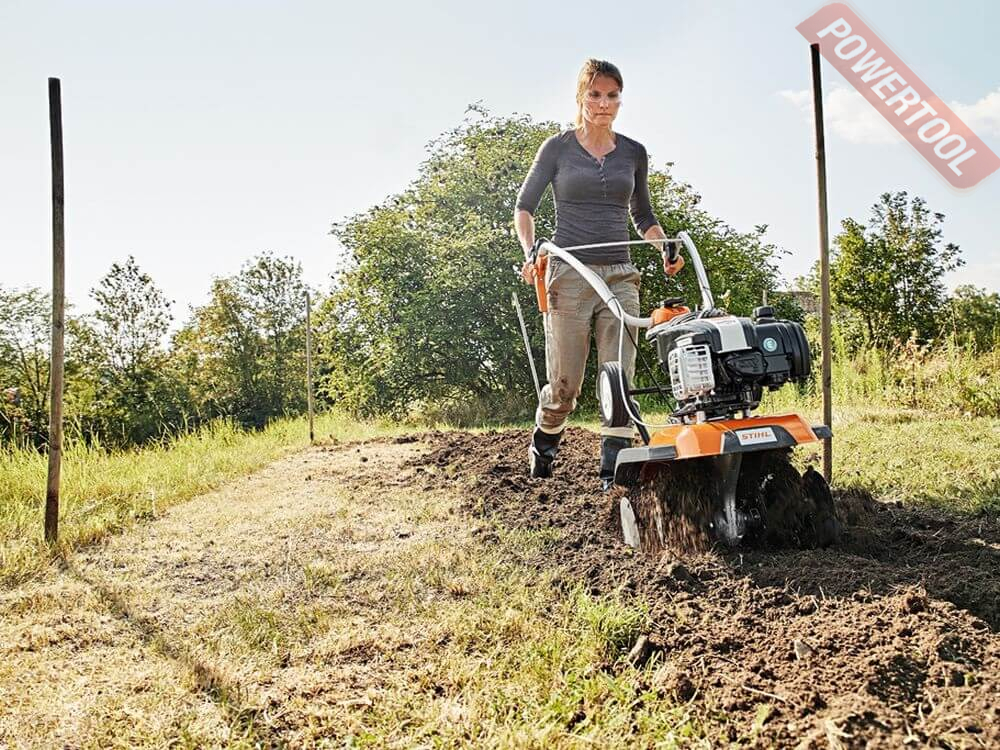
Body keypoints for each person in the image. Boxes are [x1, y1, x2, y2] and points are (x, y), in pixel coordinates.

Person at [514, 58, 684, 488]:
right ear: (580, 97)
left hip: (620, 275)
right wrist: (532, 250)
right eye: (595, 94)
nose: (603, 103)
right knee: (564, 387)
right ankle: (545, 443)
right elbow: (524, 208)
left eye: (612, 95)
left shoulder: (633, 152)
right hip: (569, 274)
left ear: (620, 100)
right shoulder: (556, 148)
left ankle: (614, 473)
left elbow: (643, 216)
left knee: (619, 379)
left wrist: (664, 245)